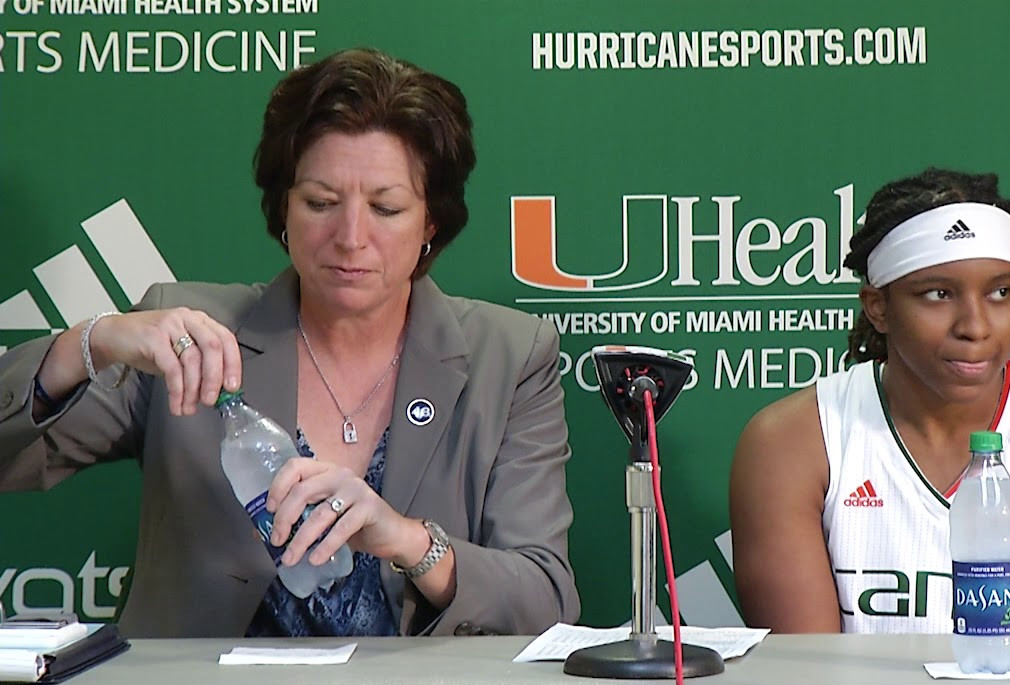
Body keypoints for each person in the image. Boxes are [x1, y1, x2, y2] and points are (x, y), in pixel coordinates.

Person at [0, 48, 579, 638]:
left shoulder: (507, 356)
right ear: (283, 211)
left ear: (431, 224)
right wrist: (94, 341)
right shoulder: (187, 334)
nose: (351, 237)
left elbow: (545, 599)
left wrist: (404, 538)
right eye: (321, 203)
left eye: (386, 208)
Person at [730, 168, 1010, 633]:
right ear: (878, 307)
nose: (975, 327)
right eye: (938, 294)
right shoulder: (792, 445)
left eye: (1001, 292)